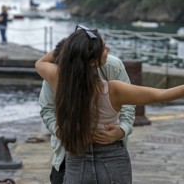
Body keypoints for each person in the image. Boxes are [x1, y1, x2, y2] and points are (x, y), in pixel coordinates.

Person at [35, 25, 184, 184]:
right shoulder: (112, 90)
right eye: (103, 49)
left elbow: (40, 63)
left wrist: (70, 47)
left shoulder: (59, 80)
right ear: (93, 62)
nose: (108, 48)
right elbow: (160, 95)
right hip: (111, 158)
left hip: (76, 158)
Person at [39, 37, 136, 184]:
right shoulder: (57, 72)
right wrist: (62, 132)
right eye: (102, 47)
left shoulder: (113, 66)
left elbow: (129, 103)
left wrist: (122, 130)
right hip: (68, 152)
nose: (108, 49)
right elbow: (47, 110)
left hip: (110, 152)